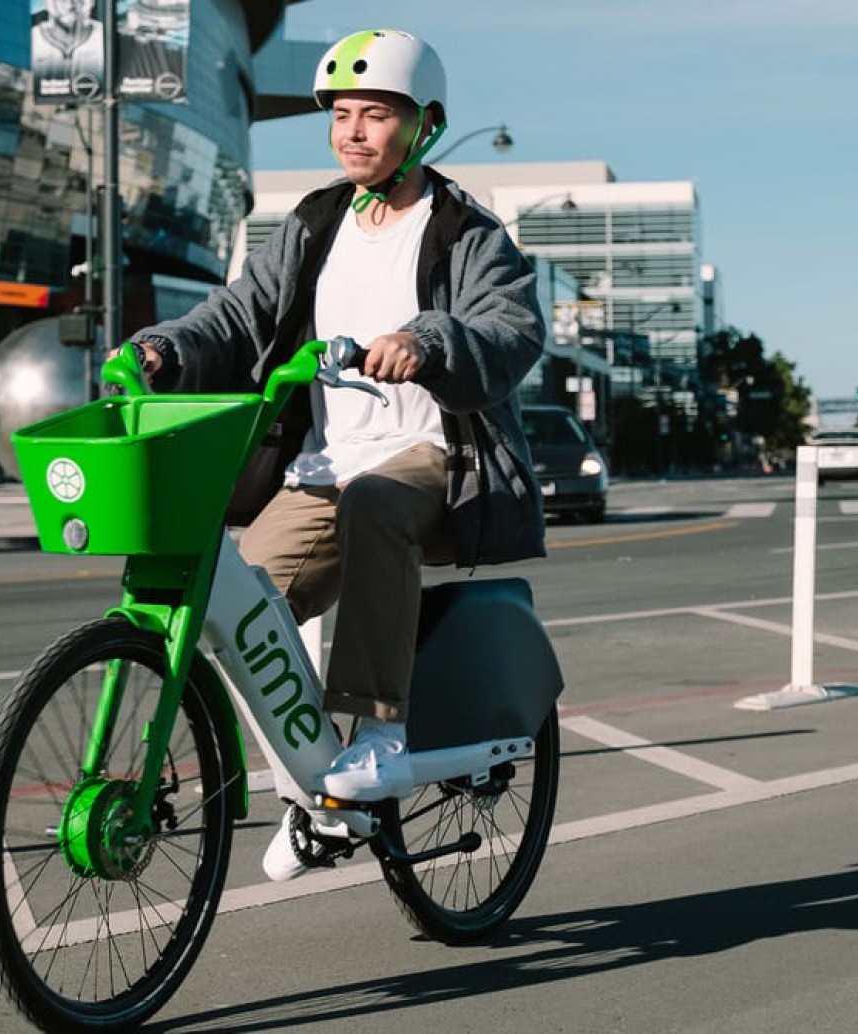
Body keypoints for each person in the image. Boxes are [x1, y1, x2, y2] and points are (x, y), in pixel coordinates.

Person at [123, 28, 547, 879]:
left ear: (423, 125)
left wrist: (428, 341)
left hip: (432, 455)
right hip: (323, 466)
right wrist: (166, 348)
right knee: (240, 607)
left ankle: (383, 732)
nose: (353, 132)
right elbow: (238, 316)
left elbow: (511, 330)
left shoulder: (466, 231)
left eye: (376, 114)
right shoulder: (316, 223)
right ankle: (313, 798)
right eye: (341, 115)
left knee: (375, 506)